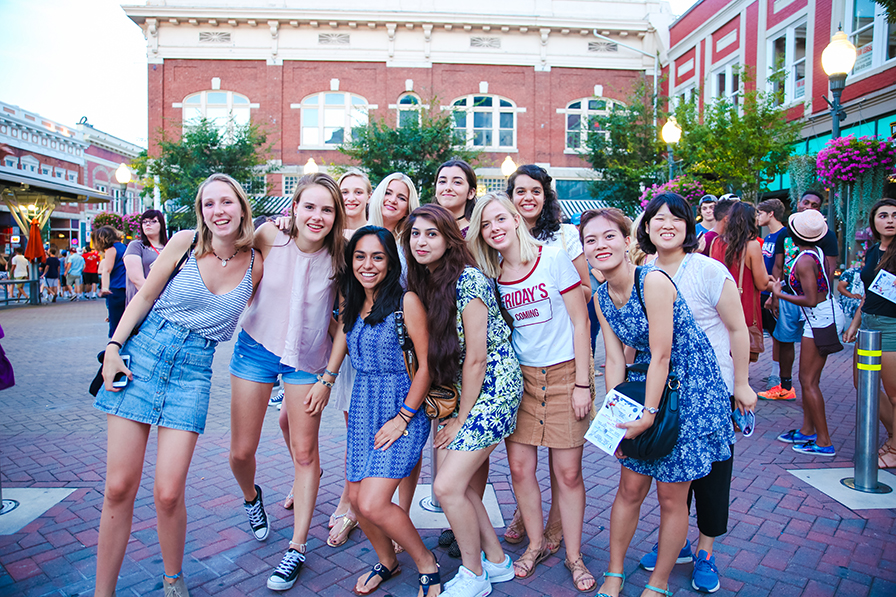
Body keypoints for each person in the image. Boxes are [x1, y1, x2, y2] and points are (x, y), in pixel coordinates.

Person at [93, 173, 261, 597]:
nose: (218, 211)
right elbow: (144, 297)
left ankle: (173, 579)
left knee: (168, 493)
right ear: (201, 212)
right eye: (209, 204)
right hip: (143, 357)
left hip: (193, 371)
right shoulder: (184, 243)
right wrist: (114, 346)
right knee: (118, 487)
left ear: (242, 207)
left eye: (227, 202)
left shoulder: (258, 263)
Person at [584, 207, 734, 597]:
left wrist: (649, 414)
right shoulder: (601, 297)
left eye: (609, 236)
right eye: (591, 240)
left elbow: (662, 355)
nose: (601, 245)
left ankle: (659, 583)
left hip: (691, 392)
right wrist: (614, 423)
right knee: (630, 488)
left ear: (628, 240)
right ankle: (614, 574)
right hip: (651, 385)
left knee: (671, 495)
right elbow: (615, 360)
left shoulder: (651, 280)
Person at [468, 193, 594, 591]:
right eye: (486, 225)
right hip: (520, 381)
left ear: (516, 219)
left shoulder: (553, 257)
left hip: (564, 376)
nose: (495, 229)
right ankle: (536, 543)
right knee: (521, 470)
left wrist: (582, 384)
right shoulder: (493, 276)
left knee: (568, 473)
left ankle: (574, 555)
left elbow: (579, 322)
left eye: (500, 219)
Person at [227, 173, 345, 591]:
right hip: (255, 348)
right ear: (293, 208)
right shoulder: (267, 236)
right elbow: (226, 257)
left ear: (337, 216)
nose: (317, 216)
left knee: (305, 452)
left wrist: (328, 378)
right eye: (309, 206)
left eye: (327, 209)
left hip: (307, 360)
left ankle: (296, 547)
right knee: (240, 453)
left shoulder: (342, 256)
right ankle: (251, 498)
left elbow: (345, 322)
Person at [635, 194, 758, 593]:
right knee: (671, 477)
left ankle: (706, 550)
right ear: (647, 227)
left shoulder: (708, 270)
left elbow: (738, 329)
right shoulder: (643, 270)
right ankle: (679, 545)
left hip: (710, 390)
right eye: (658, 218)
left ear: (690, 227)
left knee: (711, 476)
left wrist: (740, 384)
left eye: (676, 218)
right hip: (665, 392)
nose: (666, 224)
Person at [404, 204, 522, 596]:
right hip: (471, 390)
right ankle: (497, 560)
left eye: (431, 233)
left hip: (494, 387)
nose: (422, 241)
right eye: (415, 234)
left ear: (449, 238)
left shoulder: (468, 278)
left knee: (446, 486)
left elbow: (476, 356)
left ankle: (474, 574)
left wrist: (462, 418)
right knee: (465, 487)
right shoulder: (427, 282)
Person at [327, 226, 442, 597]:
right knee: (358, 504)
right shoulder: (354, 299)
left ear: (391, 261)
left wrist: (403, 418)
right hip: (363, 406)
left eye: (377, 256)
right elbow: (344, 340)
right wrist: (326, 379)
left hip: (401, 406)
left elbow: (426, 366)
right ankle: (387, 561)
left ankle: (426, 562)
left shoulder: (405, 301)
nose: (367, 264)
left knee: (374, 502)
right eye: (360, 256)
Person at [502, 164, 590, 554]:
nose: (527, 198)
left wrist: (549, 284)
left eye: (535, 191)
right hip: (523, 367)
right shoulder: (496, 244)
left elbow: (584, 291)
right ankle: (529, 516)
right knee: (524, 465)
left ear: (546, 195)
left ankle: (557, 529)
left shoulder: (562, 241)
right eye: (520, 192)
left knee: (564, 465)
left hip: (562, 355)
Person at [771, 209, 845, 456]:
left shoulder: (804, 260)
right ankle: (807, 430)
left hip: (820, 319)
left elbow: (812, 299)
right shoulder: (815, 253)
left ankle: (824, 441)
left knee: (808, 381)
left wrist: (779, 293)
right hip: (819, 318)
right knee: (809, 380)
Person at [325, 168, 373, 542]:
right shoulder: (328, 234)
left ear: (369, 195)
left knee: (368, 427)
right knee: (352, 427)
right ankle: (348, 494)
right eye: (346, 191)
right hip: (335, 340)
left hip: (371, 344)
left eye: (359, 190)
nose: (352, 197)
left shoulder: (373, 238)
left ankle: (355, 500)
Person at [760, 191, 839, 401]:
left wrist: (821, 293)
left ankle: (810, 388)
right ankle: (785, 386)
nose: (809, 206)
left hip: (812, 303)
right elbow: (778, 265)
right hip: (788, 295)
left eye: (815, 204)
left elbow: (830, 269)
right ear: (799, 203)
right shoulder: (786, 233)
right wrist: (774, 295)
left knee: (809, 349)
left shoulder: (825, 235)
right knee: (784, 339)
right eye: (806, 202)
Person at [845, 198, 896, 468]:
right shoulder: (875, 250)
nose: (889, 220)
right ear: (874, 222)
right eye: (883, 215)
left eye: (895, 215)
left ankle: (895, 449)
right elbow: (870, 292)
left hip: (891, 326)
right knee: (863, 384)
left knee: (894, 393)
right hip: (868, 324)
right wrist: (855, 323)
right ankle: (893, 437)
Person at [709, 201, 770, 360]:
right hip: (743, 307)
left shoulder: (716, 242)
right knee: (740, 363)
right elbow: (762, 283)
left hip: (719, 308)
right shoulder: (752, 245)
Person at [756, 199, 787, 366]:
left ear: (771, 214)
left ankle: (777, 374)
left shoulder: (784, 234)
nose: (758, 217)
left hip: (775, 293)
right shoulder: (768, 236)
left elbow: (783, 267)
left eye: (760, 213)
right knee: (770, 333)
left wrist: (775, 294)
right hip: (764, 290)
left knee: (778, 335)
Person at [125, 209, 169, 305]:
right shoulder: (136, 246)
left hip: (167, 303)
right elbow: (137, 279)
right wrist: (159, 298)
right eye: (145, 222)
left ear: (161, 225)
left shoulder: (169, 247)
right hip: (143, 301)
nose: (148, 224)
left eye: (153, 221)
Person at [433, 159, 478, 238]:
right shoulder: (424, 226)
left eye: (457, 182)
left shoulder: (477, 232)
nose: (448, 188)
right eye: (442, 181)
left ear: (471, 193)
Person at [97, 227, 129, 337]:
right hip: (127, 288)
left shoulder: (111, 250)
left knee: (116, 325)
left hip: (116, 289)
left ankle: (116, 349)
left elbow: (107, 270)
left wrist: (104, 288)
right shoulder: (125, 247)